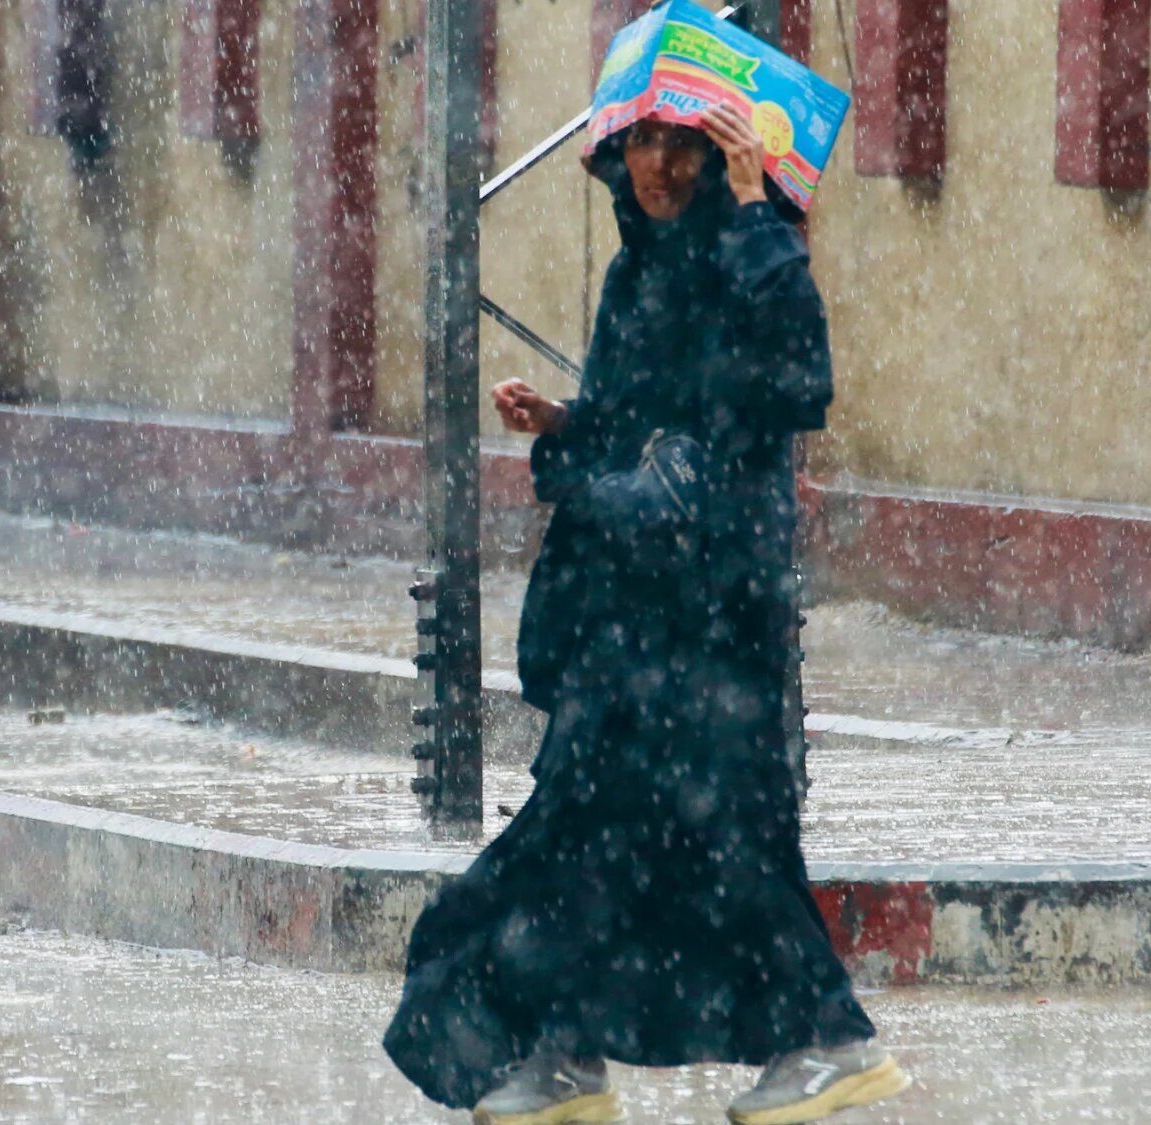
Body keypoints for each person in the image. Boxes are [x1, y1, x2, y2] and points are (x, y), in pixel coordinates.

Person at [382, 104, 907, 1125]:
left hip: (706, 614)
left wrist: (760, 218)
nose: (657, 166)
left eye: (682, 147)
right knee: (613, 846)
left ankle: (821, 1043)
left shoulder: (745, 258)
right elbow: (647, 417)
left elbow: (794, 381)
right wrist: (568, 422)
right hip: (624, 610)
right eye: (639, 143)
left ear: (722, 160)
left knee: (666, 842)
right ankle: (566, 1054)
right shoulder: (638, 273)